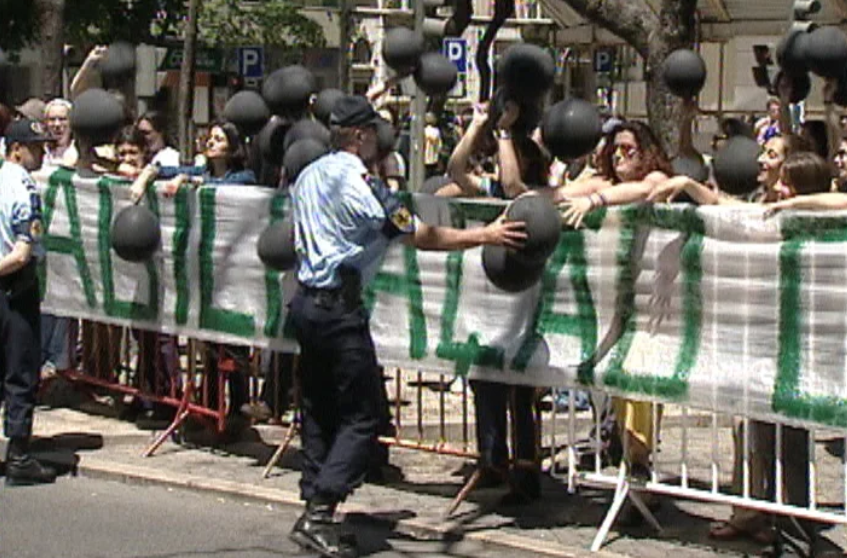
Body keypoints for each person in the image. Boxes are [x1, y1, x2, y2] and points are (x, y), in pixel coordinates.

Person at [287, 95, 526, 558]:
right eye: (374, 132)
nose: (380, 139)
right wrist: (486, 235)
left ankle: (315, 503)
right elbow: (421, 234)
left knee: (319, 408)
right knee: (363, 416)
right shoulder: (361, 185)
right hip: (338, 310)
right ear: (359, 137)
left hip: (305, 305)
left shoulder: (309, 174)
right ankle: (320, 511)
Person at [0, 118, 57, 486]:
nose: (42, 152)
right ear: (16, 149)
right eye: (35, 146)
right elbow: (22, 254)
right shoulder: (23, 187)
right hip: (12, 288)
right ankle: (19, 455)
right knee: (20, 369)